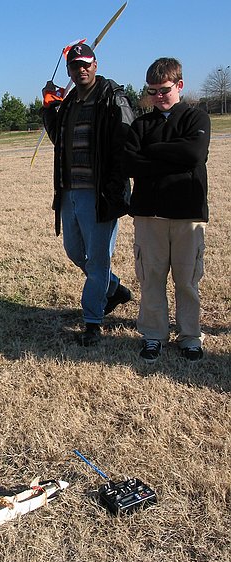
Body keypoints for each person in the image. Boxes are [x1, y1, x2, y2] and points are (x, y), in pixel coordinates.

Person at [42, 40, 134, 346]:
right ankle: (115, 289)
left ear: (95, 65)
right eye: (75, 65)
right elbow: (59, 139)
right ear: (69, 70)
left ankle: (92, 321)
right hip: (70, 192)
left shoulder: (112, 98)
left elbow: (125, 144)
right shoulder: (69, 103)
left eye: (86, 64)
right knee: (74, 252)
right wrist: (51, 107)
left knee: (96, 261)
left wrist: (114, 190)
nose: (81, 69)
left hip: (99, 194)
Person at [123, 58, 211, 363]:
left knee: (187, 280)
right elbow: (130, 163)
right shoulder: (140, 124)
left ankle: (190, 336)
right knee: (151, 279)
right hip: (149, 215)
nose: (159, 96)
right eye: (153, 91)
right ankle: (153, 335)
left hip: (188, 214)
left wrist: (152, 151)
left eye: (165, 90)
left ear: (179, 86)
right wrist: (173, 155)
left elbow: (194, 154)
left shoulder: (196, 119)